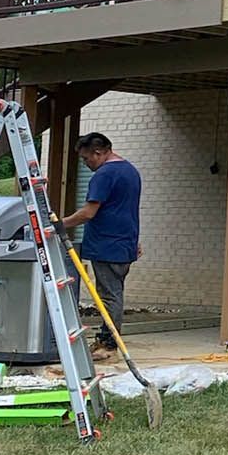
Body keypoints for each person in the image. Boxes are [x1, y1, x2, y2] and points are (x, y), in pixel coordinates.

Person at [62, 132, 142, 354]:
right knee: (115, 292)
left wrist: (60, 224)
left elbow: (88, 212)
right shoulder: (131, 171)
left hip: (107, 245)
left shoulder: (104, 175)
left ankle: (108, 343)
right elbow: (127, 209)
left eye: (87, 159)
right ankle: (108, 339)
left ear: (98, 153)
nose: (86, 164)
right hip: (125, 243)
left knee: (109, 295)